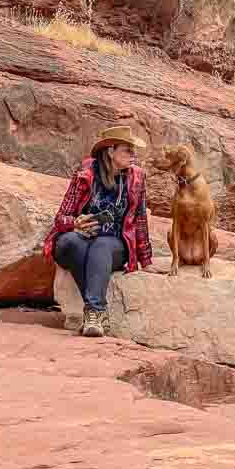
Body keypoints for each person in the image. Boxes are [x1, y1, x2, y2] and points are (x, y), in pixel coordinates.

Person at [43, 125, 153, 337]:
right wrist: (76, 223)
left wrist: (145, 260)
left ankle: (94, 311)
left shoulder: (136, 178)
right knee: (69, 242)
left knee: (101, 246)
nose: (133, 156)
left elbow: (139, 219)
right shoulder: (86, 174)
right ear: (111, 151)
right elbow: (60, 218)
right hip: (82, 243)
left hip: (114, 245)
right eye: (127, 150)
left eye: (133, 151)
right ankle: (98, 313)